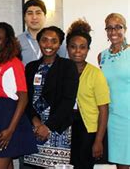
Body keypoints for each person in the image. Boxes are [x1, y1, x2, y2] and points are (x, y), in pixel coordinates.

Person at [0, 22, 37, 168]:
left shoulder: (14, 63)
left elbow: (23, 98)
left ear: (8, 41)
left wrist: (10, 130)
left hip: (8, 119)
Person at [24, 26, 78, 167]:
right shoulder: (30, 67)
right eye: (44, 40)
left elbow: (68, 100)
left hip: (57, 128)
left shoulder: (68, 66)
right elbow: (26, 99)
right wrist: (35, 122)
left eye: (53, 41)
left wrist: (47, 127)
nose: (48, 45)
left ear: (59, 44)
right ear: (39, 42)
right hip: (34, 128)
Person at [67, 20, 109, 169]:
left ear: (88, 49)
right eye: (73, 47)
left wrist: (99, 140)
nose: (77, 51)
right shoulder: (62, 71)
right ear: (67, 48)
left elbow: (104, 109)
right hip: (65, 128)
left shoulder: (96, 74)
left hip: (88, 130)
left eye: (82, 47)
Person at [98, 13, 130, 168]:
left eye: (118, 27)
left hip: (129, 114)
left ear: (125, 29)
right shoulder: (102, 56)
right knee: (121, 164)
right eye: (109, 28)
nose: (113, 31)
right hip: (113, 118)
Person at [17, 0, 66, 65]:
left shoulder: (57, 39)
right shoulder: (17, 41)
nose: (34, 17)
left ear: (45, 16)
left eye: (38, 13)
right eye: (30, 13)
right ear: (24, 17)